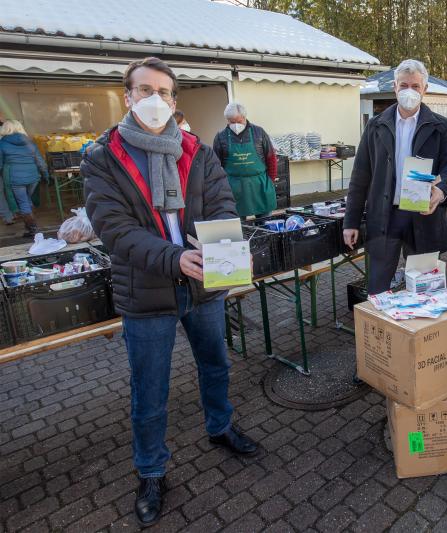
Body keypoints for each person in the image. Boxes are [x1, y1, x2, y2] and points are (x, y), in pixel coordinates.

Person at [83, 57, 259, 528]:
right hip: (147, 292)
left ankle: (220, 427)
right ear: (127, 96)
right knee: (150, 390)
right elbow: (114, 229)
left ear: (174, 100)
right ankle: (151, 470)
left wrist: (221, 244)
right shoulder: (103, 156)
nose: (155, 100)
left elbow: (221, 199)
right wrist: (172, 257)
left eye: (163, 91)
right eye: (144, 90)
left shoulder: (194, 150)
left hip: (202, 284)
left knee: (216, 364)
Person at [343, 59, 447, 295]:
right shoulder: (376, 126)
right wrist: (351, 221)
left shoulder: (440, 126)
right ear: (395, 87)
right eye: (404, 85)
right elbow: (360, 175)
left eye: (415, 86)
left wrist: (442, 190)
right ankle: (380, 328)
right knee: (378, 287)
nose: (409, 91)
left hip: (423, 215)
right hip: (385, 216)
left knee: (424, 289)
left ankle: (421, 332)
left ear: (425, 89)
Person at [213, 102, 278, 217]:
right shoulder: (220, 137)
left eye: (239, 121)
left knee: (265, 224)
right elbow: (216, 166)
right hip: (235, 188)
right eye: (232, 122)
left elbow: (271, 158)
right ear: (227, 120)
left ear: (244, 117)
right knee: (239, 227)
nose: (236, 125)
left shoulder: (259, 133)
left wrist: (270, 182)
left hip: (260, 186)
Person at [0, 120, 48, 235]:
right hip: (33, 177)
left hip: (15, 178)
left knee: (23, 202)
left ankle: (33, 229)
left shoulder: (2, 143)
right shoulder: (30, 142)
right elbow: (40, 161)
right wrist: (46, 175)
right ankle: (29, 227)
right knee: (27, 199)